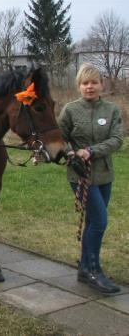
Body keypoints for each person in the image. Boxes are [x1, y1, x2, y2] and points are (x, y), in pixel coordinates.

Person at [58, 63, 124, 294]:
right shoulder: (70, 110)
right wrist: (71, 153)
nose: (90, 87)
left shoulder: (112, 110)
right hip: (80, 176)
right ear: (79, 86)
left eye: (94, 82)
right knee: (99, 221)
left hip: (104, 174)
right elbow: (58, 138)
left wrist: (92, 151)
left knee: (93, 222)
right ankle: (95, 271)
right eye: (85, 83)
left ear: (101, 85)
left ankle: (85, 268)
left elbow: (117, 139)